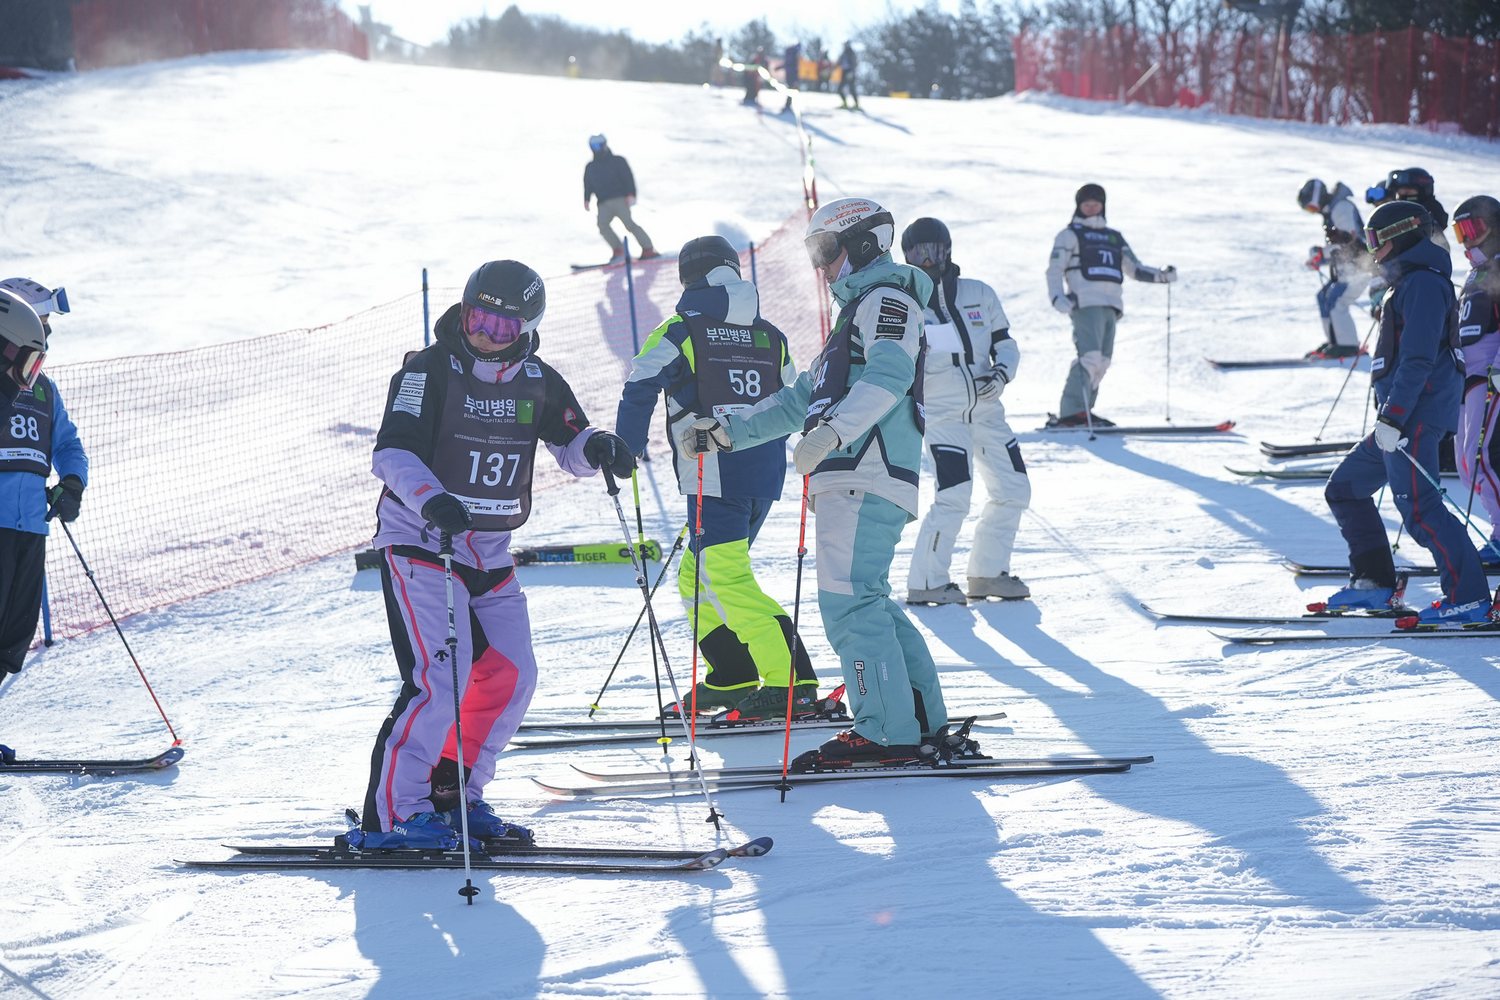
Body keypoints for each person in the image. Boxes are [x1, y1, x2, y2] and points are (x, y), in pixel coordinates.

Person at [355, 260, 636, 849]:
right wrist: (432, 499)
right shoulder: (427, 371)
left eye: (503, 327)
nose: (486, 334)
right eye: (478, 319)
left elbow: (571, 442)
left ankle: (453, 792)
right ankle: (394, 814)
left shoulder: (538, 380)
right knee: (440, 677)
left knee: (511, 674)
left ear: (526, 329)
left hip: (489, 551)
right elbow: (392, 452)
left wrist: (599, 447)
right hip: (423, 540)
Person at [681, 197, 969, 769]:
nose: (820, 264)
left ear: (861, 244)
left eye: (826, 249)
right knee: (868, 600)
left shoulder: (886, 300)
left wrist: (834, 432)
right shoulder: (855, 313)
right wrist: (727, 432)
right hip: (856, 471)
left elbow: (890, 374)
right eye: (814, 251)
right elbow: (796, 400)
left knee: (849, 606)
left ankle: (885, 731)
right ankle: (915, 720)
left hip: (866, 467)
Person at [615, 235, 824, 719]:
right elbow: (794, 399)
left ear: (687, 277)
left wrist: (627, 447)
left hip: (712, 473)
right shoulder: (771, 335)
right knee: (696, 574)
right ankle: (732, 674)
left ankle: (790, 680)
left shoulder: (680, 329)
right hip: (763, 473)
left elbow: (640, 382)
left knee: (724, 577)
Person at [1321, 201, 1491, 626]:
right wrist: (1389, 416)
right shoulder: (1407, 284)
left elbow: (1418, 358)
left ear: (1400, 236)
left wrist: (1395, 417)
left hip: (1411, 417)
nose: (1372, 250)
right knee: (1345, 488)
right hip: (1397, 419)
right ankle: (1373, 582)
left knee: (1420, 508)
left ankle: (1469, 597)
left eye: (1375, 240)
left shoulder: (1424, 285)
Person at [899, 218, 1032, 605]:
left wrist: (1001, 374)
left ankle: (988, 574)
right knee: (954, 495)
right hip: (943, 414)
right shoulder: (905, 303)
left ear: (947, 250)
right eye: (917, 253)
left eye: (932, 250)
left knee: (1014, 489)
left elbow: (1005, 343)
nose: (926, 260)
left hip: (988, 409)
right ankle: (927, 581)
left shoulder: (979, 293)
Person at [0, 280, 86, 679]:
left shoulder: (44, 390)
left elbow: (67, 443)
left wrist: (73, 482)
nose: (46, 336)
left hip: (31, 526)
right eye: (42, 324)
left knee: (12, 639)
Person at [1044, 183, 1175, 427]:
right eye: (1086, 203)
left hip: (1112, 305)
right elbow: (1054, 269)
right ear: (1079, 206)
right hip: (1085, 302)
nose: (1091, 207)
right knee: (1090, 357)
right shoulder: (1070, 235)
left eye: (1096, 203)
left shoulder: (1113, 237)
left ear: (1103, 206)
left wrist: (1161, 276)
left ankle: (1085, 411)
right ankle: (1072, 413)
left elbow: (1133, 268)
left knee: (1102, 361)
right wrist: (1057, 297)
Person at [1451, 195, 1500, 563]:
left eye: (1474, 228)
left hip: (1490, 377)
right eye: (1460, 232)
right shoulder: (1474, 275)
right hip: (1466, 380)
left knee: (1482, 459)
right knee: (1466, 467)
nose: (1468, 239)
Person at [1297, 178, 1367, 359]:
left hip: (1359, 267)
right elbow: (1338, 248)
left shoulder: (1341, 207)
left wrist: (1321, 254)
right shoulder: (1332, 210)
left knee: (1337, 301)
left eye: (1311, 207)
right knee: (1324, 297)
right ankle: (1335, 342)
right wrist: (1320, 258)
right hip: (1347, 268)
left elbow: (1348, 243)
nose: (1314, 212)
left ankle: (1348, 345)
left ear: (1316, 197)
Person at [582, 134, 658, 263]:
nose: (596, 149)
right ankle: (618, 250)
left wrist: (631, 194)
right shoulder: (590, 167)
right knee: (602, 225)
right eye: (593, 146)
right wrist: (587, 199)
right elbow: (587, 184)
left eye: (598, 145)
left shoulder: (617, 161)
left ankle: (648, 248)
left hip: (619, 199)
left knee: (629, 224)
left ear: (604, 145)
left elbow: (628, 177)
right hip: (603, 203)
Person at [836, 42, 859, 110]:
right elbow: (839, 62)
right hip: (844, 72)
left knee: (852, 89)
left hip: (850, 72)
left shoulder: (851, 53)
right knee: (839, 89)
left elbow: (854, 63)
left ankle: (856, 104)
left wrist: (852, 72)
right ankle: (844, 103)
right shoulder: (843, 53)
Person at [781, 41, 801, 113]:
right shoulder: (794, 54)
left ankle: (788, 105)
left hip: (789, 74)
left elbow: (786, 64)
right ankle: (788, 105)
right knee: (792, 90)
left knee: (790, 89)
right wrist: (796, 79)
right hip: (792, 75)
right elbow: (795, 67)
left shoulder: (789, 53)